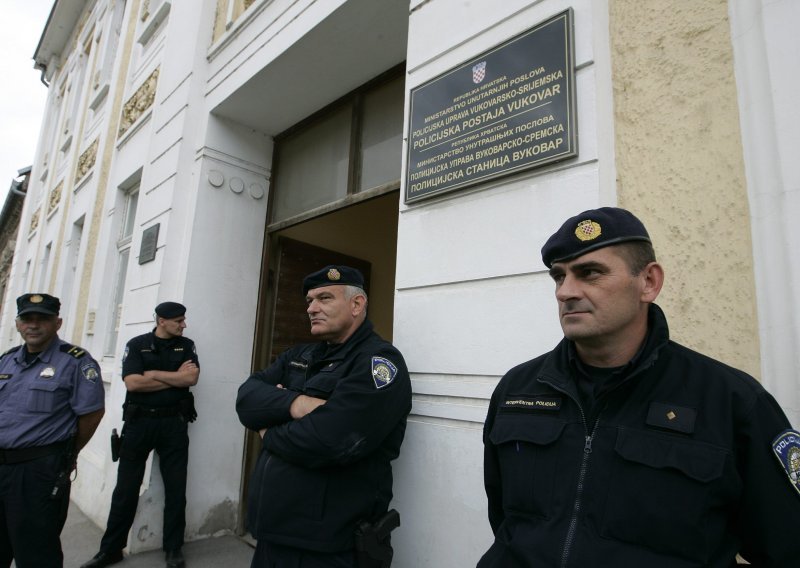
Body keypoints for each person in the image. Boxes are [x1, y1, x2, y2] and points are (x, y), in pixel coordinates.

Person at [478, 207, 800, 567]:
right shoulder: (518, 390)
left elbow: (786, 545)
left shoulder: (731, 401)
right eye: (558, 276)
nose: (565, 291)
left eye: (590, 273)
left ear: (648, 282)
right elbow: (507, 519)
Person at [237, 265, 411, 568]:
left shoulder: (379, 363)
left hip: (327, 547)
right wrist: (300, 404)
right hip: (272, 535)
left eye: (325, 298)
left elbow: (332, 439)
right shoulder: (300, 356)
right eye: (309, 301)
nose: (311, 308)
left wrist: (268, 430)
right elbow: (246, 399)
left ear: (357, 305)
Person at [82, 302, 199, 568]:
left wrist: (155, 373)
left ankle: (173, 549)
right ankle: (110, 549)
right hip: (139, 424)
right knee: (125, 488)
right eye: (179, 320)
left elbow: (191, 379)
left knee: (176, 488)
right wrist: (173, 377)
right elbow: (133, 382)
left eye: (183, 319)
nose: (184, 324)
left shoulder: (187, 345)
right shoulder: (137, 344)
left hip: (173, 423)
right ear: (161, 321)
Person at [0, 293, 105, 567]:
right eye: (27, 319)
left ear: (57, 323)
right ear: (18, 324)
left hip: (38, 472)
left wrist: (66, 453)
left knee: (36, 553)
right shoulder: (6, 361)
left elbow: (92, 413)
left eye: (42, 319)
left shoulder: (76, 362)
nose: (34, 325)